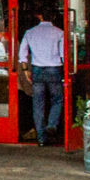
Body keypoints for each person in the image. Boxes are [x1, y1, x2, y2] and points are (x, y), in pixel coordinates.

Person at [18, 8, 67, 144]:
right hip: (54, 69)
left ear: (39, 16)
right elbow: (63, 55)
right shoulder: (59, 33)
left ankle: (41, 138)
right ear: (53, 17)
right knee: (57, 99)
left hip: (37, 69)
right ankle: (52, 124)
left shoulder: (30, 32)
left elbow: (22, 53)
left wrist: (26, 69)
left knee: (38, 104)